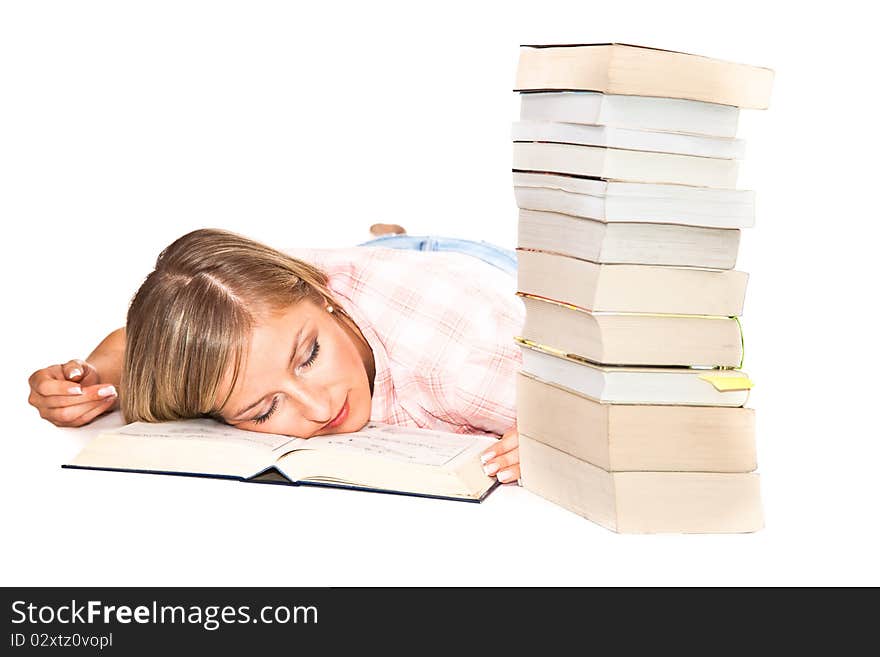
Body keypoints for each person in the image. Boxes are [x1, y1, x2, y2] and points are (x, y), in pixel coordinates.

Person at [27, 227, 525, 483]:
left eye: (309, 356)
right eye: (264, 409)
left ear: (324, 296)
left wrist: (552, 438)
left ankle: (401, 240)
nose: (320, 408)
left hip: (485, 270)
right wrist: (90, 378)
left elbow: (597, 403)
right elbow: (139, 345)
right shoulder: (263, 321)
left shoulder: (464, 362)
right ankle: (388, 239)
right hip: (366, 265)